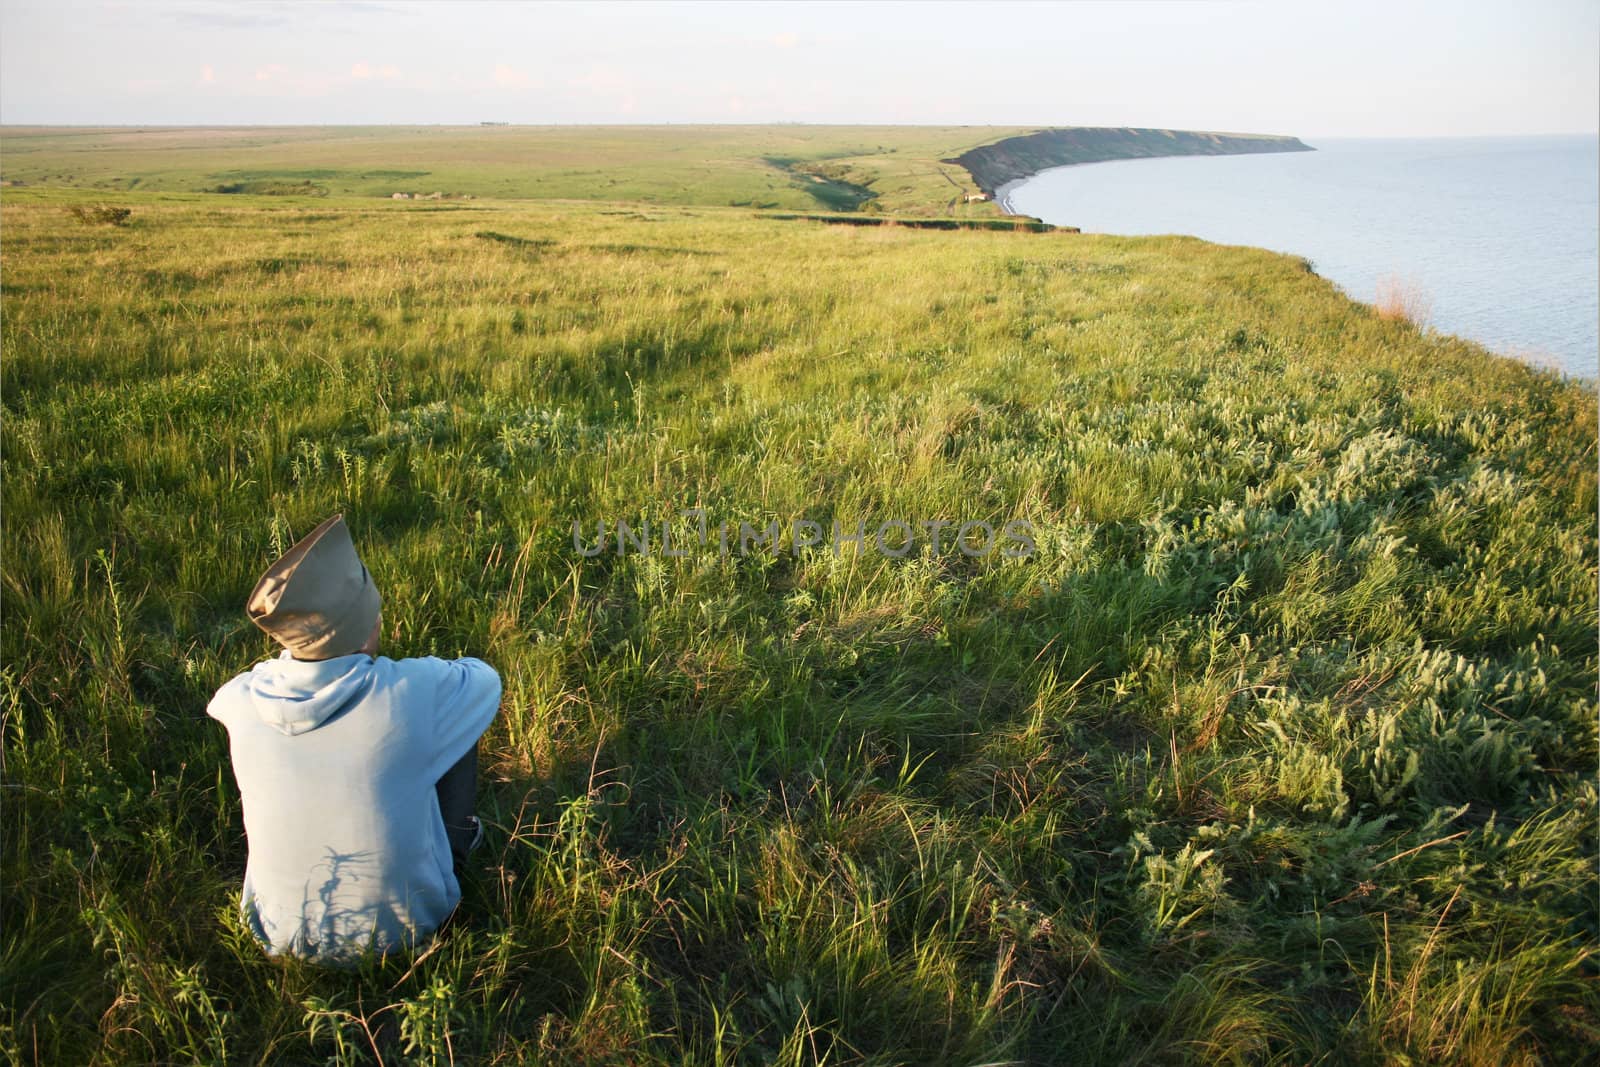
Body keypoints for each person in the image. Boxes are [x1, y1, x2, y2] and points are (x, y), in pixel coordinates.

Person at [206, 514, 500, 962]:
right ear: (367, 623)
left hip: (279, 933)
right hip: (403, 931)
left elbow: (221, 700)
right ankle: (459, 845)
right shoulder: (411, 691)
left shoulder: (242, 699)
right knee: (455, 727)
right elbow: (483, 679)